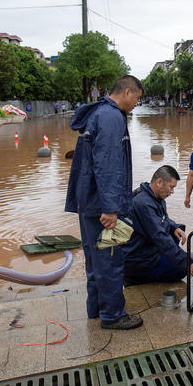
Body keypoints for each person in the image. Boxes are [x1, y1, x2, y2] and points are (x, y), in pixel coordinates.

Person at [65, 75, 145, 330]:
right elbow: (108, 164)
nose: (136, 104)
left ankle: (96, 309)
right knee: (110, 260)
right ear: (128, 92)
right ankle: (112, 315)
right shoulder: (111, 117)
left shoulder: (97, 113)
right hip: (102, 206)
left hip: (89, 202)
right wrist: (110, 208)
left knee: (94, 260)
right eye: (137, 98)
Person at [123, 165, 193, 285]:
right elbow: (160, 237)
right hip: (139, 260)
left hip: (147, 248)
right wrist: (187, 263)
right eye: (171, 187)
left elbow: (161, 218)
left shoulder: (153, 196)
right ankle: (137, 279)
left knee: (175, 235)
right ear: (159, 182)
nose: (172, 192)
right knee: (181, 270)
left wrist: (173, 226)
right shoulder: (143, 203)